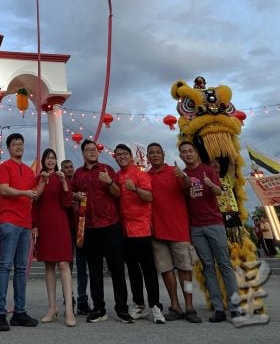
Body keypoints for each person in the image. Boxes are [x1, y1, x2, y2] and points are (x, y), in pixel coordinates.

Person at [177, 141, 241, 322]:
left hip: (214, 223)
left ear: (196, 153)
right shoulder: (182, 175)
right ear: (180, 156)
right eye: (184, 152)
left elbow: (219, 192)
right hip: (196, 227)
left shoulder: (208, 170)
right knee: (208, 267)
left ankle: (235, 308)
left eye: (190, 151)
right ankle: (218, 308)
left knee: (225, 265)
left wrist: (210, 185)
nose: (188, 154)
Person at [72, 139, 132, 324]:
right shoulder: (78, 174)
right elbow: (73, 196)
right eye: (88, 150)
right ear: (83, 153)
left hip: (110, 225)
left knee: (116, 270)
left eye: (94, 149)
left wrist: (108, 182)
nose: (92, 152)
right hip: (89, 227)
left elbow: (117, 193)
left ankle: (122, 309)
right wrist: (75, 195)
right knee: (94, 270)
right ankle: (99, 308)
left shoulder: (106, 169)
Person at [146, 143, 201, 323]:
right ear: (147, 157)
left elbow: (188, 188)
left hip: (178, 230)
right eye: (151, 153)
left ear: (163, 154)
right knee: (166, 270)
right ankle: (175, 305)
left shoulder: (175, 172)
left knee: (185, 269)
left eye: (157, 152)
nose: (155, 155)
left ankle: (190, 306)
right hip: (157, 231)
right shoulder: (145, 177)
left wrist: (184, 178)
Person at [0, 132, 39, 331]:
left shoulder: (29, 172)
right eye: (14, 144)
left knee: (21, 268)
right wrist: (23, 193)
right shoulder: (4, 167)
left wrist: (43, 179)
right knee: (5, 266)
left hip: (26, 224)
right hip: (9, 221)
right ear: (9, 148)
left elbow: (35, 195)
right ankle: (0, 313)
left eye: (21, 143)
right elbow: (3, 189)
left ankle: (19, 312)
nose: (18, 146)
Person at [113, 143, 163, 324]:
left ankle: (156, 306)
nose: (122, 157)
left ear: (131, 156)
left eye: (125, 154)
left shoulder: (140, 174)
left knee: (148, 270)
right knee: (133, 271)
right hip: (124, 231)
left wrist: (134, 188)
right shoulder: (116, 176)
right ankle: (139, 304)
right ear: (115, 157)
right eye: (118, 155)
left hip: (142, 229)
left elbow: (149, 197)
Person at [32, 148, 75, 327]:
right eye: (47, 158)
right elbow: (35, 202)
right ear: (43, 160)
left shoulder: (60, 177)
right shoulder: (39, 178)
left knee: (64, 264)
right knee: (48, 264)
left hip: (60, 223)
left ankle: (69, 310)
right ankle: (52, 308)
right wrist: (34, 225)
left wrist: (64, 181)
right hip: (44, 223)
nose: (50, 160)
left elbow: (67, 202)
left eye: (53, 158)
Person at [61, 158, 89, 315]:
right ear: (62, 169)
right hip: (65, 228)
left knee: (82, 266)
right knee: (67, 265)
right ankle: (68, 298)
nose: (70, 169)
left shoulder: (78, 182)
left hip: (80, 228)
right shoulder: (61, 184)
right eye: (66, 167)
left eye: (71, 166)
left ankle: (83, 299)